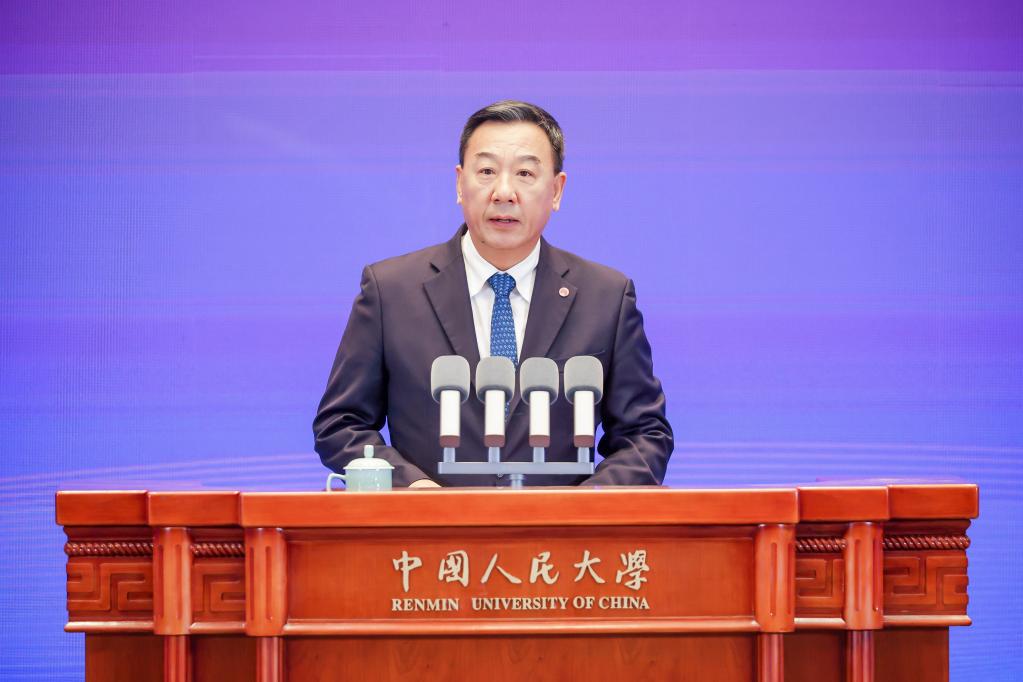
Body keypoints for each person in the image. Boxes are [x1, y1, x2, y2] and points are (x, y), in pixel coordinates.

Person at [313, 100, 672, 487]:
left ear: (556, 190)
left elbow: (645, 436)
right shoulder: (391, 291)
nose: (504, 192)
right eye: (486, 171)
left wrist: (588, 504)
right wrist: (411, 489)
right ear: (459, 183)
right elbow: (341, 425)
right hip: (431, 523)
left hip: (561, 526)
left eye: (525, 173)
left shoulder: (606, 298)